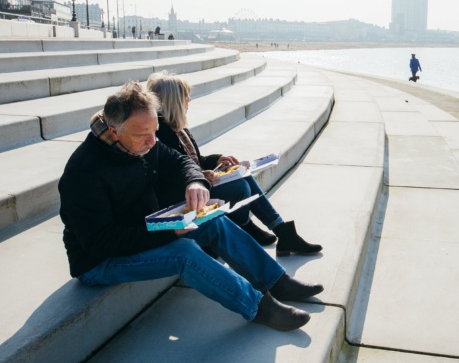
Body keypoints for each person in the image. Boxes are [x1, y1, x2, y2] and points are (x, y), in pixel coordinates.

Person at [58, 81, 323, 331]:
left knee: (215, 221)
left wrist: (195, 181)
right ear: (115, 132)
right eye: (144, 135)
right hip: (98, 261)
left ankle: (277, 282)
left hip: (145, 230)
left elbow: (178, 161)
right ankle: (258, 307)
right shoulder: (84, 173)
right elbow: (100, 243)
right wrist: (168, 232)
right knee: (184, 251)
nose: (153, 142)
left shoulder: (141, 142)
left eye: (154, 132)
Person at [146, 71, 322, 257]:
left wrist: (216, 159)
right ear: (174, 101)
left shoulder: (177, 128)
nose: (189, 101)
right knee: (239, 188)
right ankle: (253, 227)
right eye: (186, 97)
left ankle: (281, 231)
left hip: (199, 184)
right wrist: (199, 176)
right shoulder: (158, 134)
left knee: (242, 173)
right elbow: (167, 175)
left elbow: (194, 160)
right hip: (187, 196)